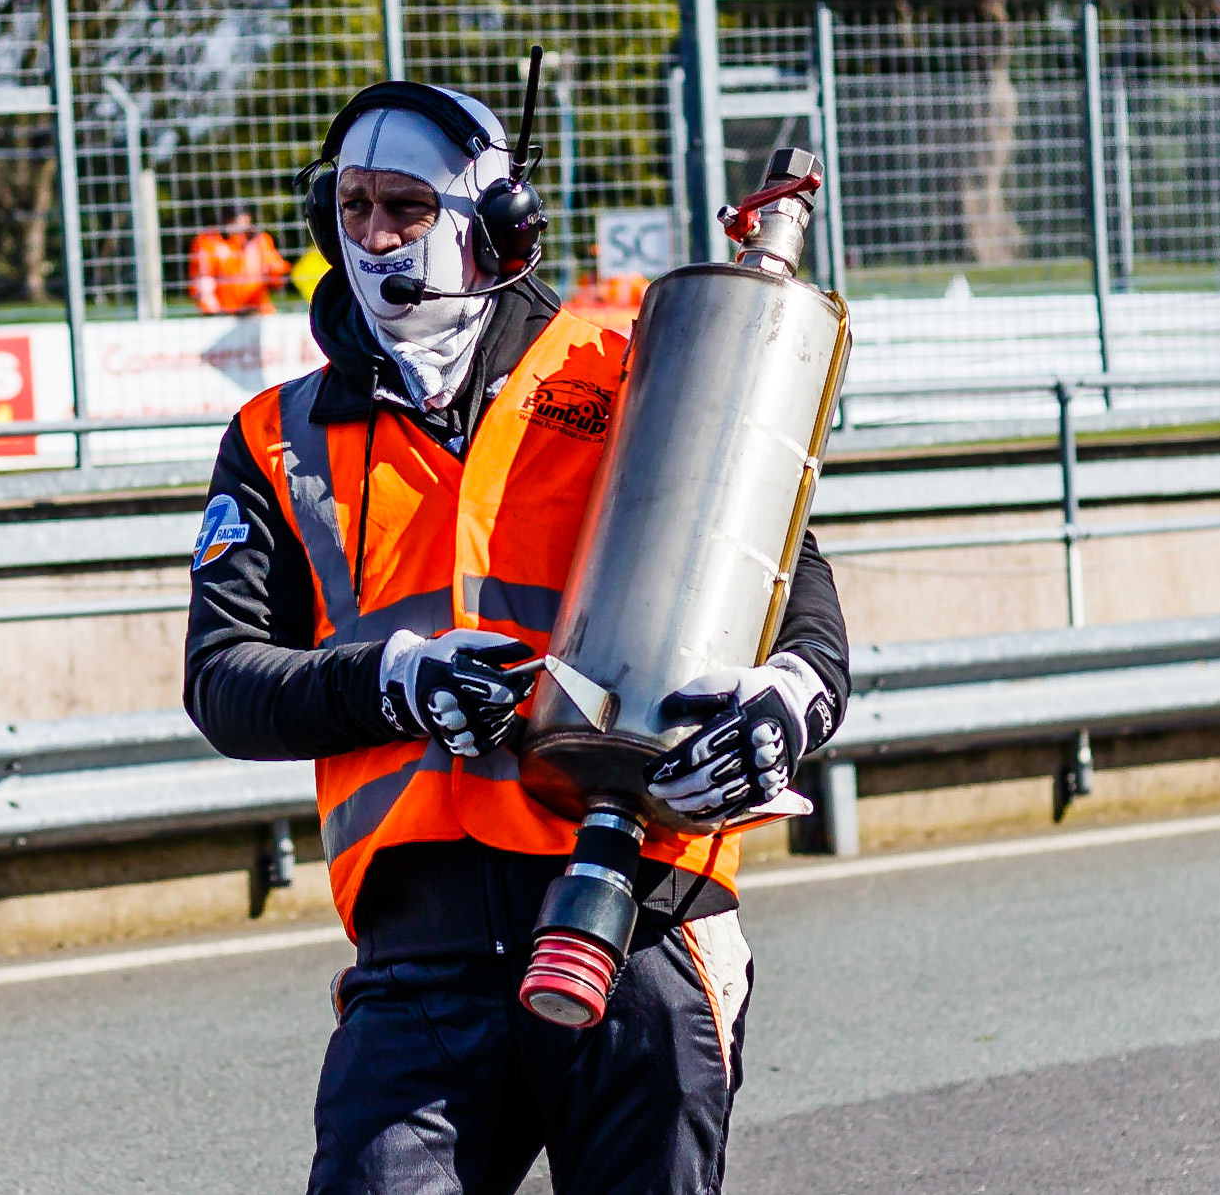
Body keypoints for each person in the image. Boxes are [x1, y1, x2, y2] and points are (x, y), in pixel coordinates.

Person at [183, 81, 849, 1195]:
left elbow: (794, 586)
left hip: (645, 913)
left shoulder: (630, 369)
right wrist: (392, 682)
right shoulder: (275, 436)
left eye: (405, 207)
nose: (374, 236)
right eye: (351, 207)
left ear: (496, 228)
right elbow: (223, 679)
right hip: (420, 951)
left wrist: (790, 697)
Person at [188, 204, 290, 315]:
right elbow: (200, 278)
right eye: (233, 221)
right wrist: (210, 306)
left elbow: (277, 273)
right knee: (205, 283)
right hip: (223, 312)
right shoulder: (209, 240)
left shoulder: (260, 240)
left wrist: (273, 270)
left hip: (257, 310)